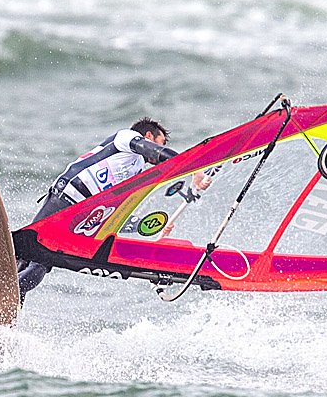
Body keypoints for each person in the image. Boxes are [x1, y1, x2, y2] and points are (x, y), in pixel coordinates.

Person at [16, 117, 208, 302]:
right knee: (30, 250)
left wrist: (146, 226)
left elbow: (114, 215)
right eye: (161, 141)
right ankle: (2, 284)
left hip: (82, 213)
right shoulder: (125, 138)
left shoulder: (137, 171)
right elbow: (158, 152)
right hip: (67, 195)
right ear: (149, 136)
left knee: (43, 260)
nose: (160, 149)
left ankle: (10, 300)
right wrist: (195, 169)